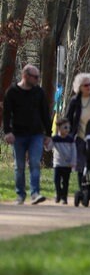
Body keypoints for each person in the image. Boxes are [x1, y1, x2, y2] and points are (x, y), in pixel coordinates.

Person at [3, 64, 51, 205]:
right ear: (25, 75)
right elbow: (6, 114)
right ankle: (20, 195)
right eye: (35, 77)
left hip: (36, 134)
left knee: (35, 163)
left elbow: (45, 114)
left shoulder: (39, 92)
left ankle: (35, 193)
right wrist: (8, 132)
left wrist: (48, 134)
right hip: (18, 135)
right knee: (19, 166)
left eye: (38, 77)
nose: (37, 79)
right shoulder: (12, 92)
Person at [48, 118, 76, 204]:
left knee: (65, 182)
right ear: (59, 128)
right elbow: (48, 148)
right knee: (56, 180)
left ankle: (64, 197)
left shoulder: (71, 140)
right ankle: (58, 194)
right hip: (58, 164)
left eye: (68, 127)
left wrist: (73, 162)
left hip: (67, 164)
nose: (67, 130)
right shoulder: (55, 139)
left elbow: (74, 152)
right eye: (65, 127)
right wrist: (46, 143)